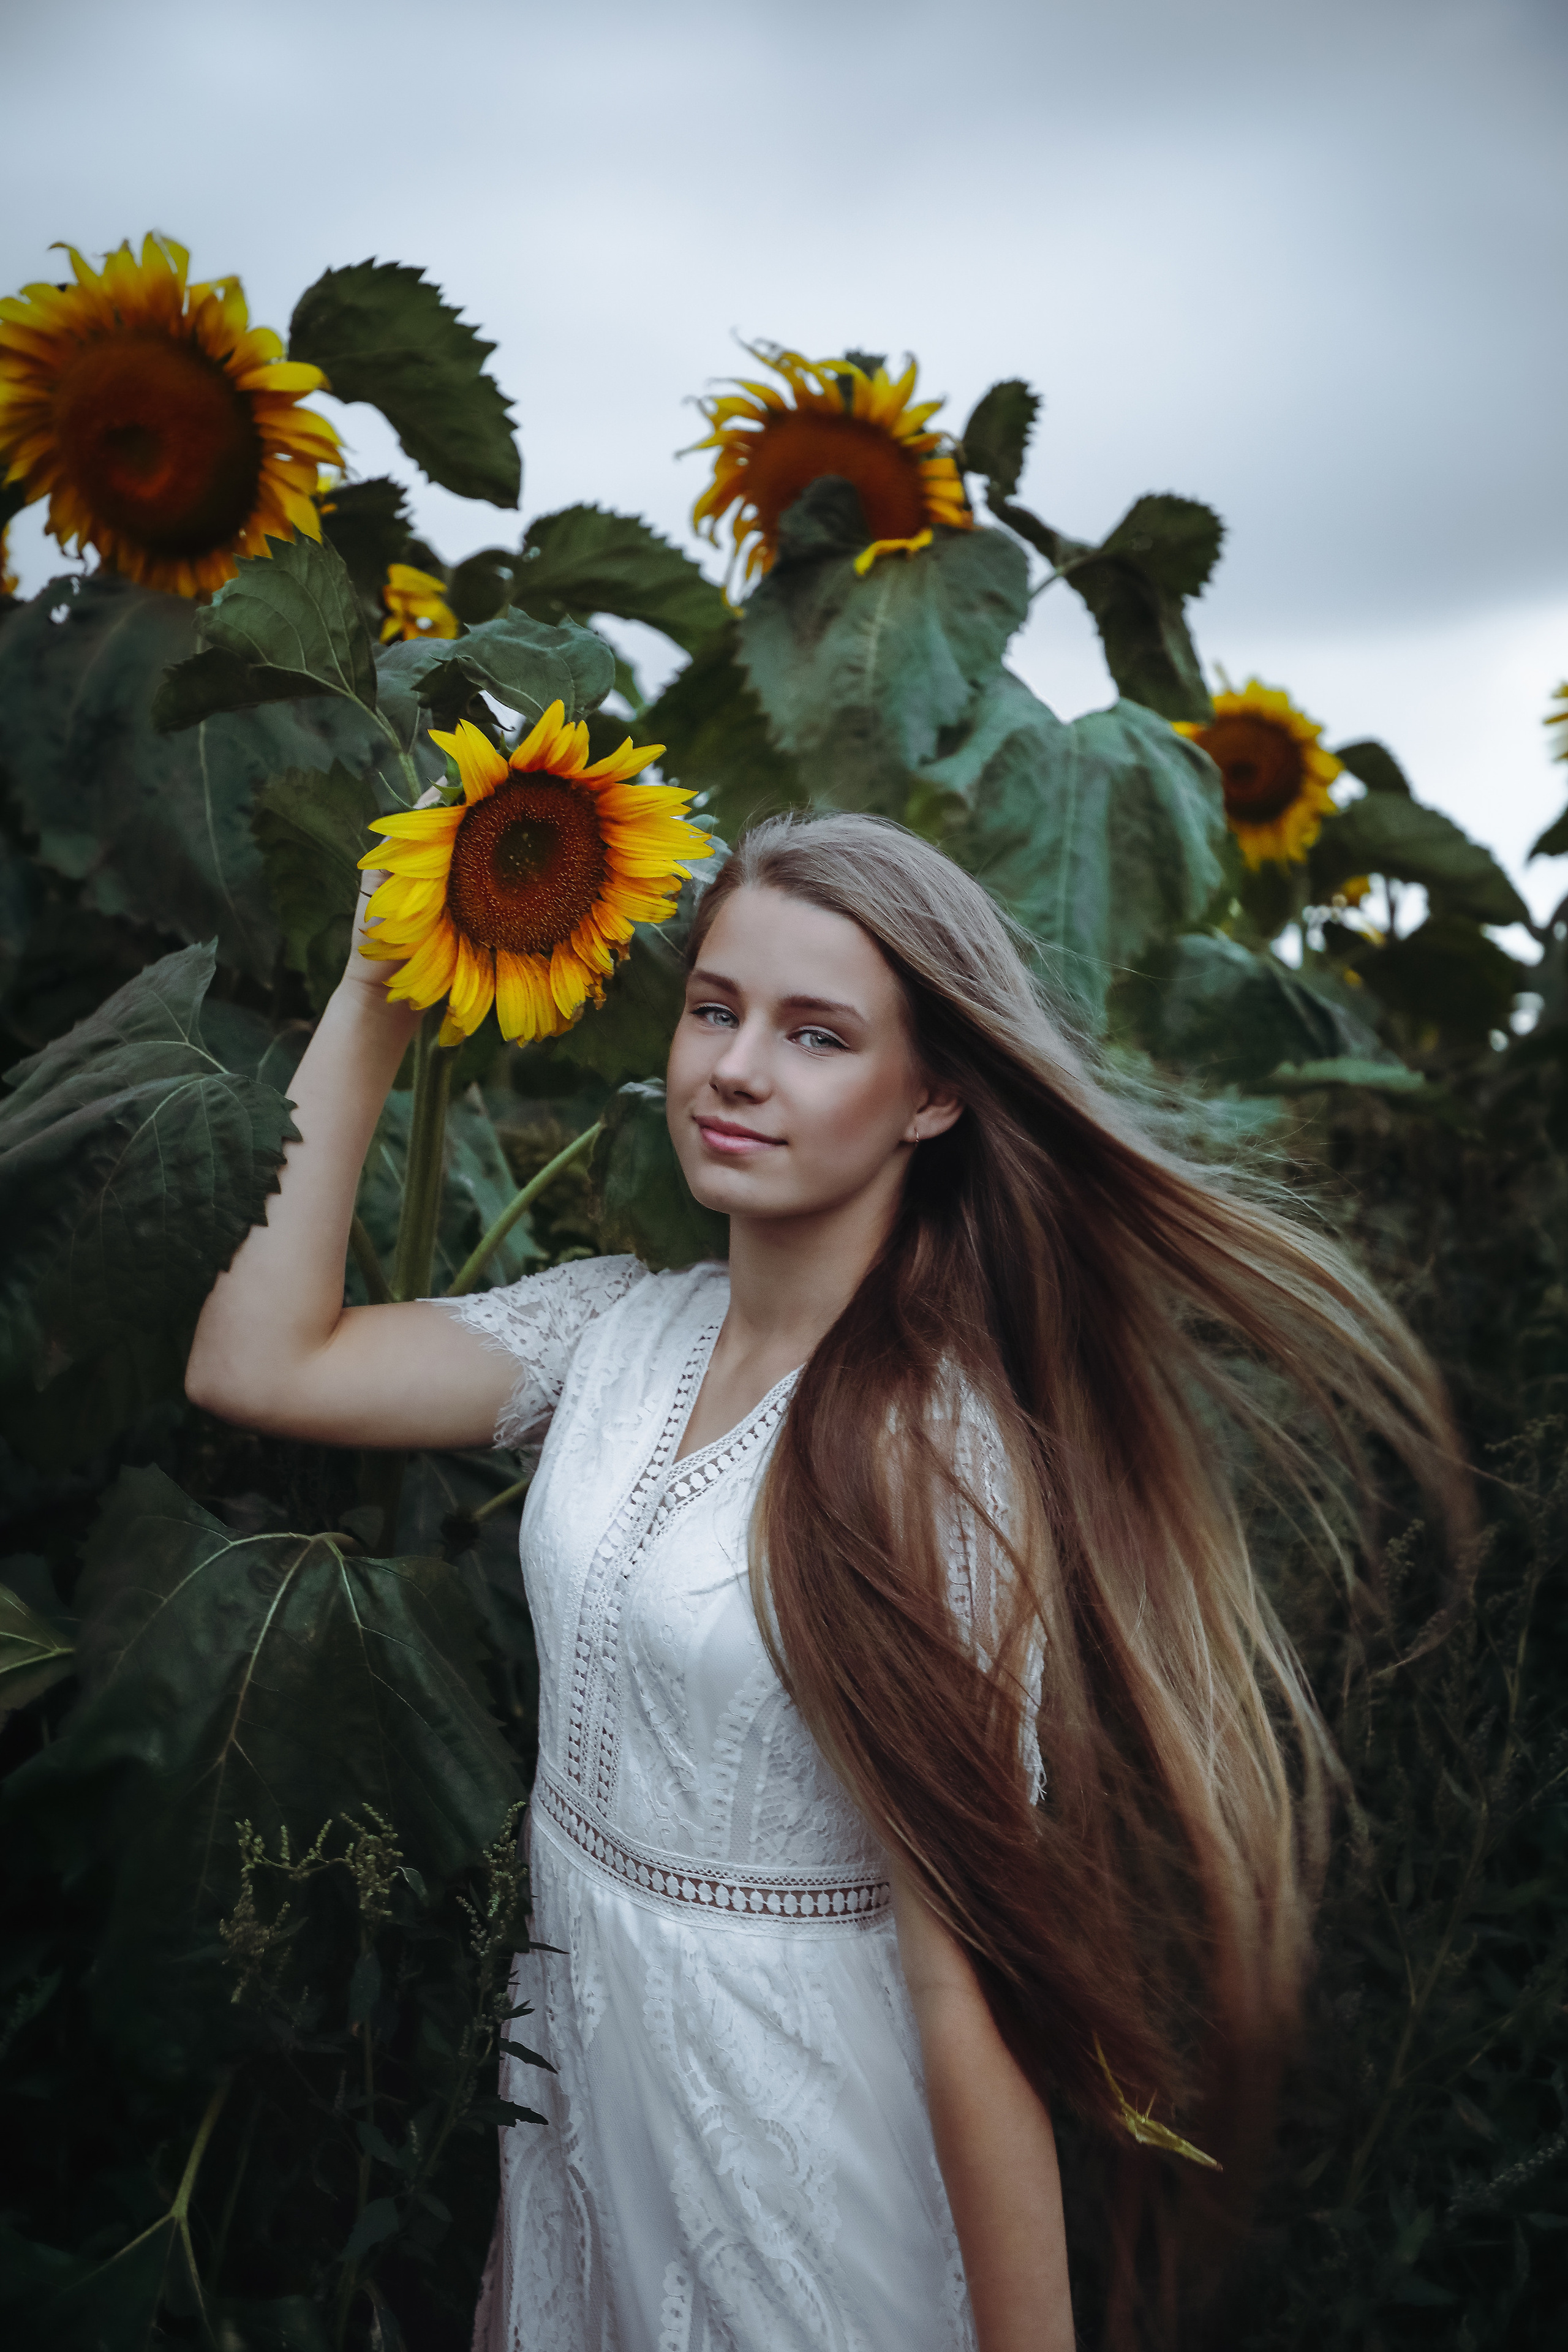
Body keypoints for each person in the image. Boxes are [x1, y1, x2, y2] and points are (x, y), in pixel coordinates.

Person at [187, 810, 1466, 2352]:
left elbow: (961, 1989)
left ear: (928, 1095)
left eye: (815, 1035)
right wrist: (375, 997)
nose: (733, 1069)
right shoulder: (611, 1334)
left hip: (782, 2165)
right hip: (587, 2119)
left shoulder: (931, 1458)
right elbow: (258, 1359)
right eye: (716, 1010)